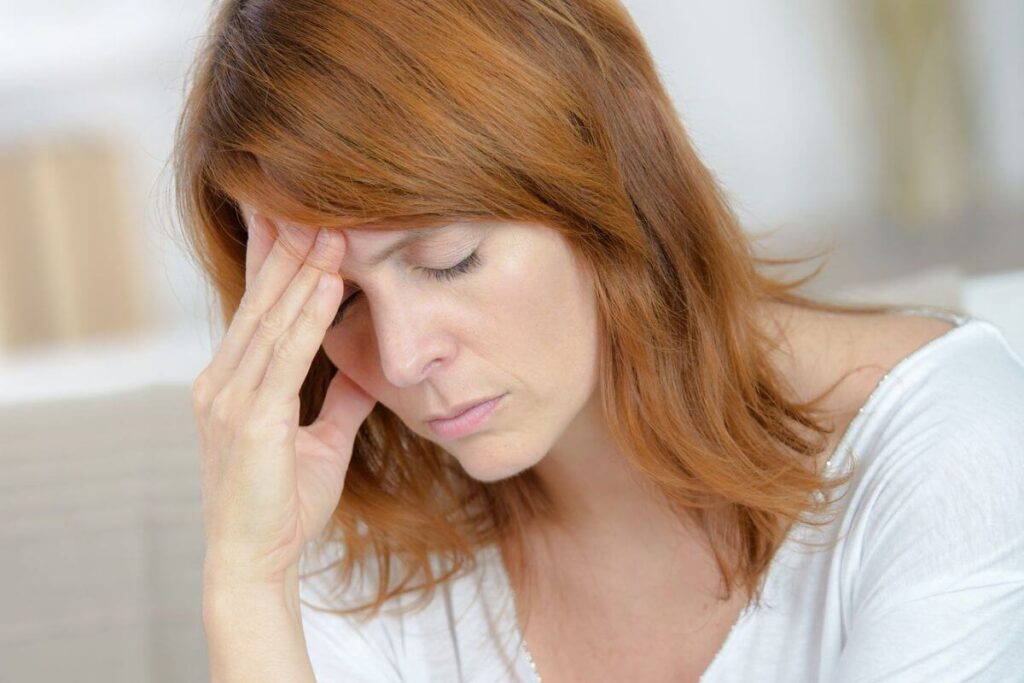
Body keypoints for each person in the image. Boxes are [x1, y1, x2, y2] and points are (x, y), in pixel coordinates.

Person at [174, 1, 1024, 681]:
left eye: (446, 258)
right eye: (340, 302)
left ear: (605, 167)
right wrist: (248, 581)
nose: (400, 358)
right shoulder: (344, 550)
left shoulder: (945, 448)